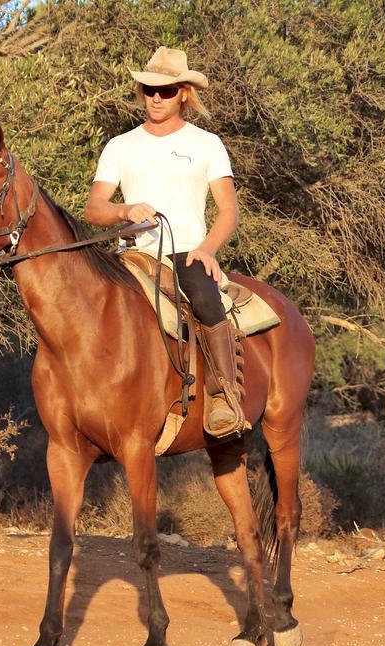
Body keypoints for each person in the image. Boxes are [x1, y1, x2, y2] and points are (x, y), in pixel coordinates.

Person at [84, 46, 243, 436]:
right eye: (149, 89)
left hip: (187, 251)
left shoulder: (207, 144)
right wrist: (124, 210)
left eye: (167, 90)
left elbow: (228, 212)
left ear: (184, 94)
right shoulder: (120, 146)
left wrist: (206, 250)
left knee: (206, 300)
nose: (156, 97)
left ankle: (224, 395)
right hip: (131, 255)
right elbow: (93, 209)